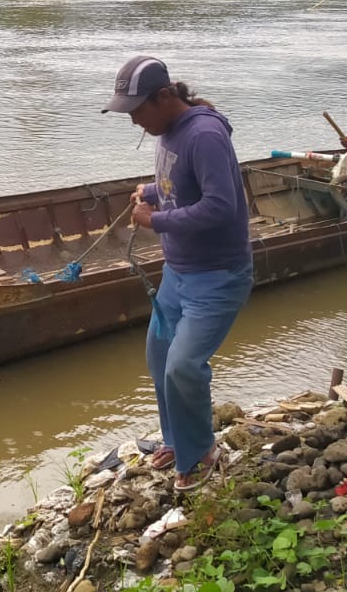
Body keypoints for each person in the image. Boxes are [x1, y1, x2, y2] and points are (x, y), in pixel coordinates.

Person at [102, 55, 254, 492]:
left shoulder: (204, 134)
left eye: (137, 111)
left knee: (183, 366)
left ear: (165, 96)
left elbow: (221, 205)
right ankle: (177, 440)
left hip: (217, 274)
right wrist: (152, 190)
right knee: (159, 357)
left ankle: (202, 451)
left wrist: (157, 221)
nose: (134, 122)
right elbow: (179, 182)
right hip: (178, 272)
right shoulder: (166, 129)